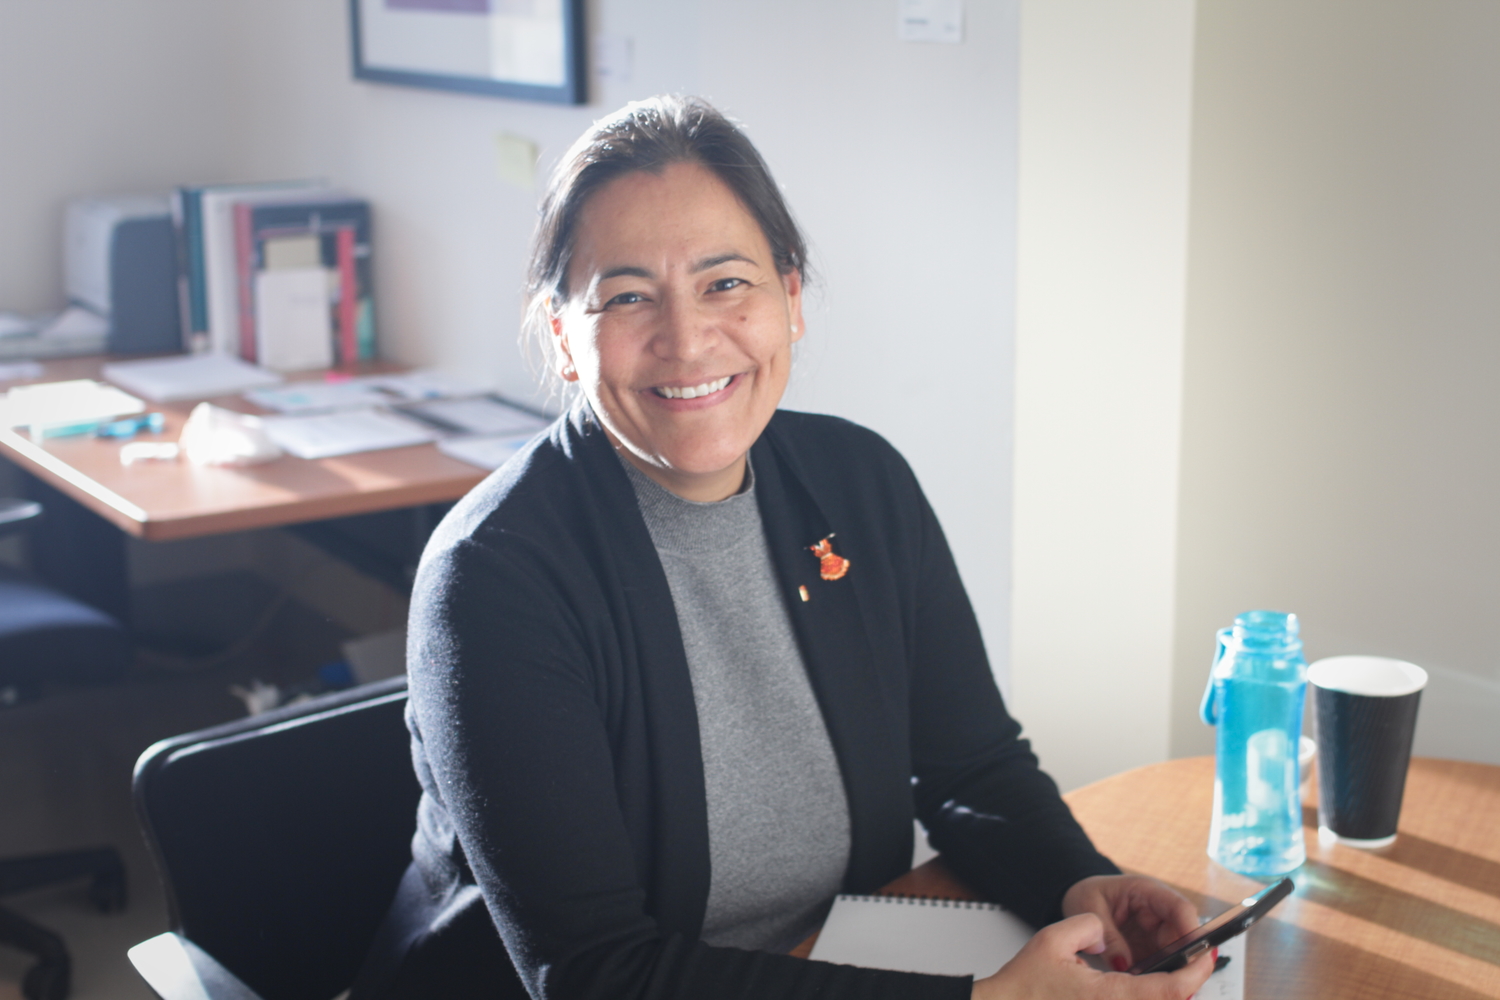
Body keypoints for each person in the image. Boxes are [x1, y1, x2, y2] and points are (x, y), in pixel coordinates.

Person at [352, 96, 1215, 1000]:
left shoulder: (860, 483)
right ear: (565, 338)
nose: (687, 342)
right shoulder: (495, 579)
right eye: (628, 296)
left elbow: (974, 767)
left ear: (790, 299)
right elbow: (597, 977)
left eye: (726, 283)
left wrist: (1075, 882)